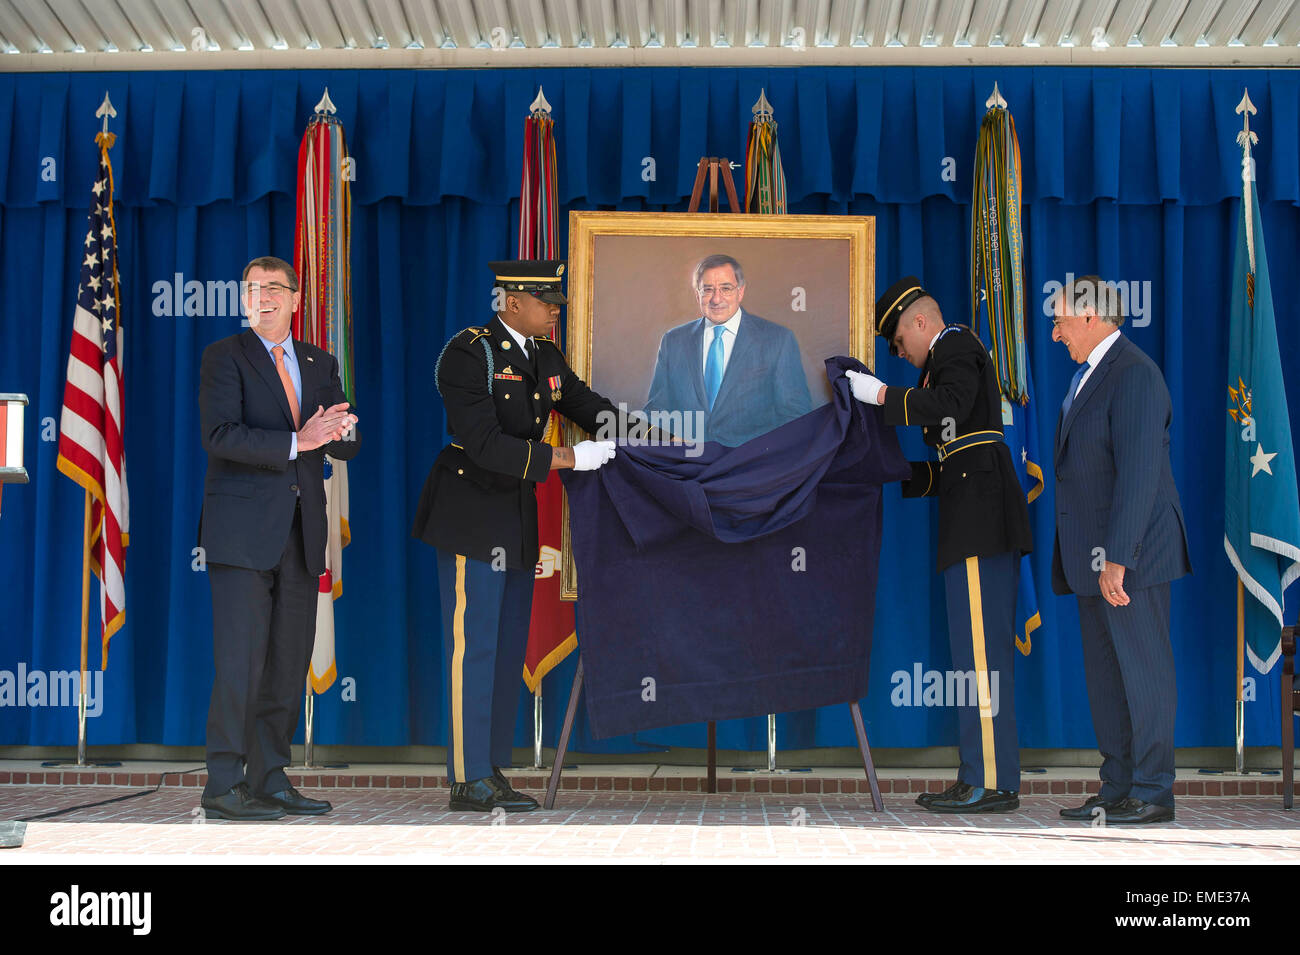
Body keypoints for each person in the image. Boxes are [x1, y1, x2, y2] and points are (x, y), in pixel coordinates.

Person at [412, 259, 641, 813]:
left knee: (506, 645)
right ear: (511, 301)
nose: (555, 312)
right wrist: (568, 457)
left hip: (514, 515)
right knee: (475, 647)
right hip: (471, 511)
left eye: (557, 304)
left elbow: (590, 407)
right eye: (547, 303)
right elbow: (485, 442)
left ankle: (490, 770)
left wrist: (660, 441)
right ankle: (467, 778)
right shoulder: (472, 352)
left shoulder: (543, 355)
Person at [848, 276, 1032, 813]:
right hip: (970, 517)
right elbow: (953, 461)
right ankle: (977, 771)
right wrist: (895, 475)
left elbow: (949, 404)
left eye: (901, 343)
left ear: (920, 323)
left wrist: (882, 396)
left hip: (979, 522)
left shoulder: (955, 344)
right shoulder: (949, 354)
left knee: (982, 654)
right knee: (972, 656)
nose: (901, 356)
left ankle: (992, 780)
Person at [198, 255, 360, 821]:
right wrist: (299, 440)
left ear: (296, 298)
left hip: (301, 533)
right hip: (241, 535)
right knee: (240, 662)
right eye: (250, 288)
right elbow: (220, 436)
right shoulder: (225, 357)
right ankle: (223, 784)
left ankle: (269, 776)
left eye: (271, 287)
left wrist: (342, 431)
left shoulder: (320, 361)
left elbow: (340, 443)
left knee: (287, 663)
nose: (259, 296)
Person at [1049, 275, 1190, 825]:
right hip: (1095, 554)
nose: (1056, 333)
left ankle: (1153, 792)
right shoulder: (1090, 375)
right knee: (1107, 677)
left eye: (1060, 321)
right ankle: (1117, 787)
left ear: (1091, 317)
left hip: (1131, 555)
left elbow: (1138, 475)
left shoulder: (1133, 373)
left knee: (1143, 671)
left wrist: (1118, 558)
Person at [644, 253, 812, 446]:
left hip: (750, 467)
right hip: (686, 465)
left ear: (740, 292)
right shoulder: (673, 341)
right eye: (708, 290)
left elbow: (795, 418)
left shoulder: (778, 340)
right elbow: (656, 412)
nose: (716, 299)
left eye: (726, 288)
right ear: (697, 294)